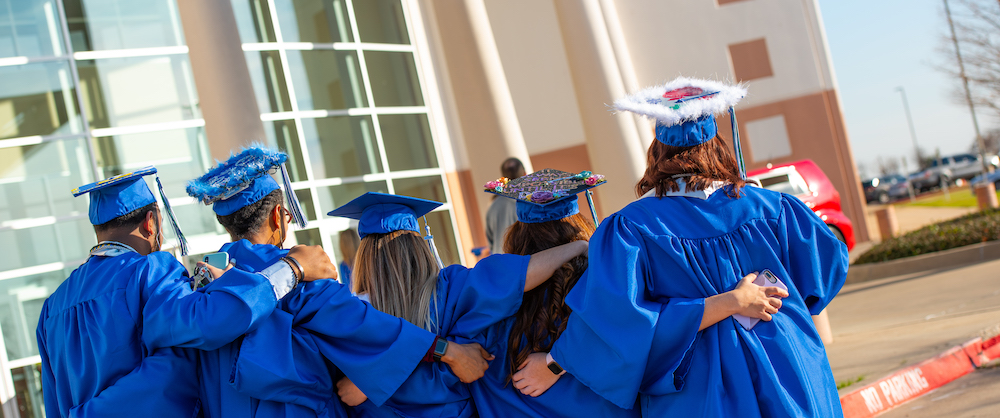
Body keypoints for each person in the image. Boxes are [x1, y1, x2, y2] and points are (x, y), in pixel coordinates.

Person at [512, 78, 848, 417]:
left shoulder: (632, 229)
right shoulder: (774, 208)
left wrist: (555, 363)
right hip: (790, 369)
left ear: (657, 153)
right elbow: (825, 271)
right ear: (718, 145)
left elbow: (615, 318)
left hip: (699, 391)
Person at [186, 146, 494, 417]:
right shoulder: (305, 281)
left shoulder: (200, 288)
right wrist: (450, 351)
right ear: (279, 216)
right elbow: (369, 330)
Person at [36, 166, 333, 417]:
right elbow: (209, 323)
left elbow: (54, 402)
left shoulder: (51, 308)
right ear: (152, 224)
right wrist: (292, 269)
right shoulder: (148, 271)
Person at [327, 192, 589, 418]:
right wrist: (577, 246)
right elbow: (521, 275)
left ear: (365, 258)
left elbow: (342, 390)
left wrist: (368, 380)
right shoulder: (450, 287)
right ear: (419, 249)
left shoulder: (351, 316)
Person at [468, 168, 638, 417]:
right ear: (578, 225)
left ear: (518, 234)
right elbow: (632, 334)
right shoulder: (602, 279)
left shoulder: (495, 294)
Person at [485, 157, 526, 255]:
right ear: (525, 174)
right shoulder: (528, 203)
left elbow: (490, 242)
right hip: (522, 263)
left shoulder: (492, 206)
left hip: (500, 263)